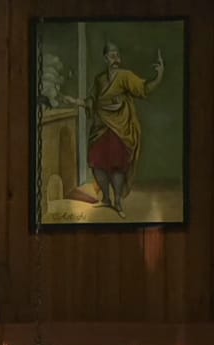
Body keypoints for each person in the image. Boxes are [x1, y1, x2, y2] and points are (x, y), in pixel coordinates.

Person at [64, 40, 165, 216]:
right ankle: (106, 198)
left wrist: (159, 76)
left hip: (120, 128)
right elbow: (91, 101)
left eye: (117, 55)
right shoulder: (100, 79)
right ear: (105, 58)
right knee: (96, 164)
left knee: (117, 165)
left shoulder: (126, 76)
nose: (116, 59)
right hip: (100, 128)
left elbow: (143, 89)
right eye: (112, 56)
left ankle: (118, 200)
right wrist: (75, 101)